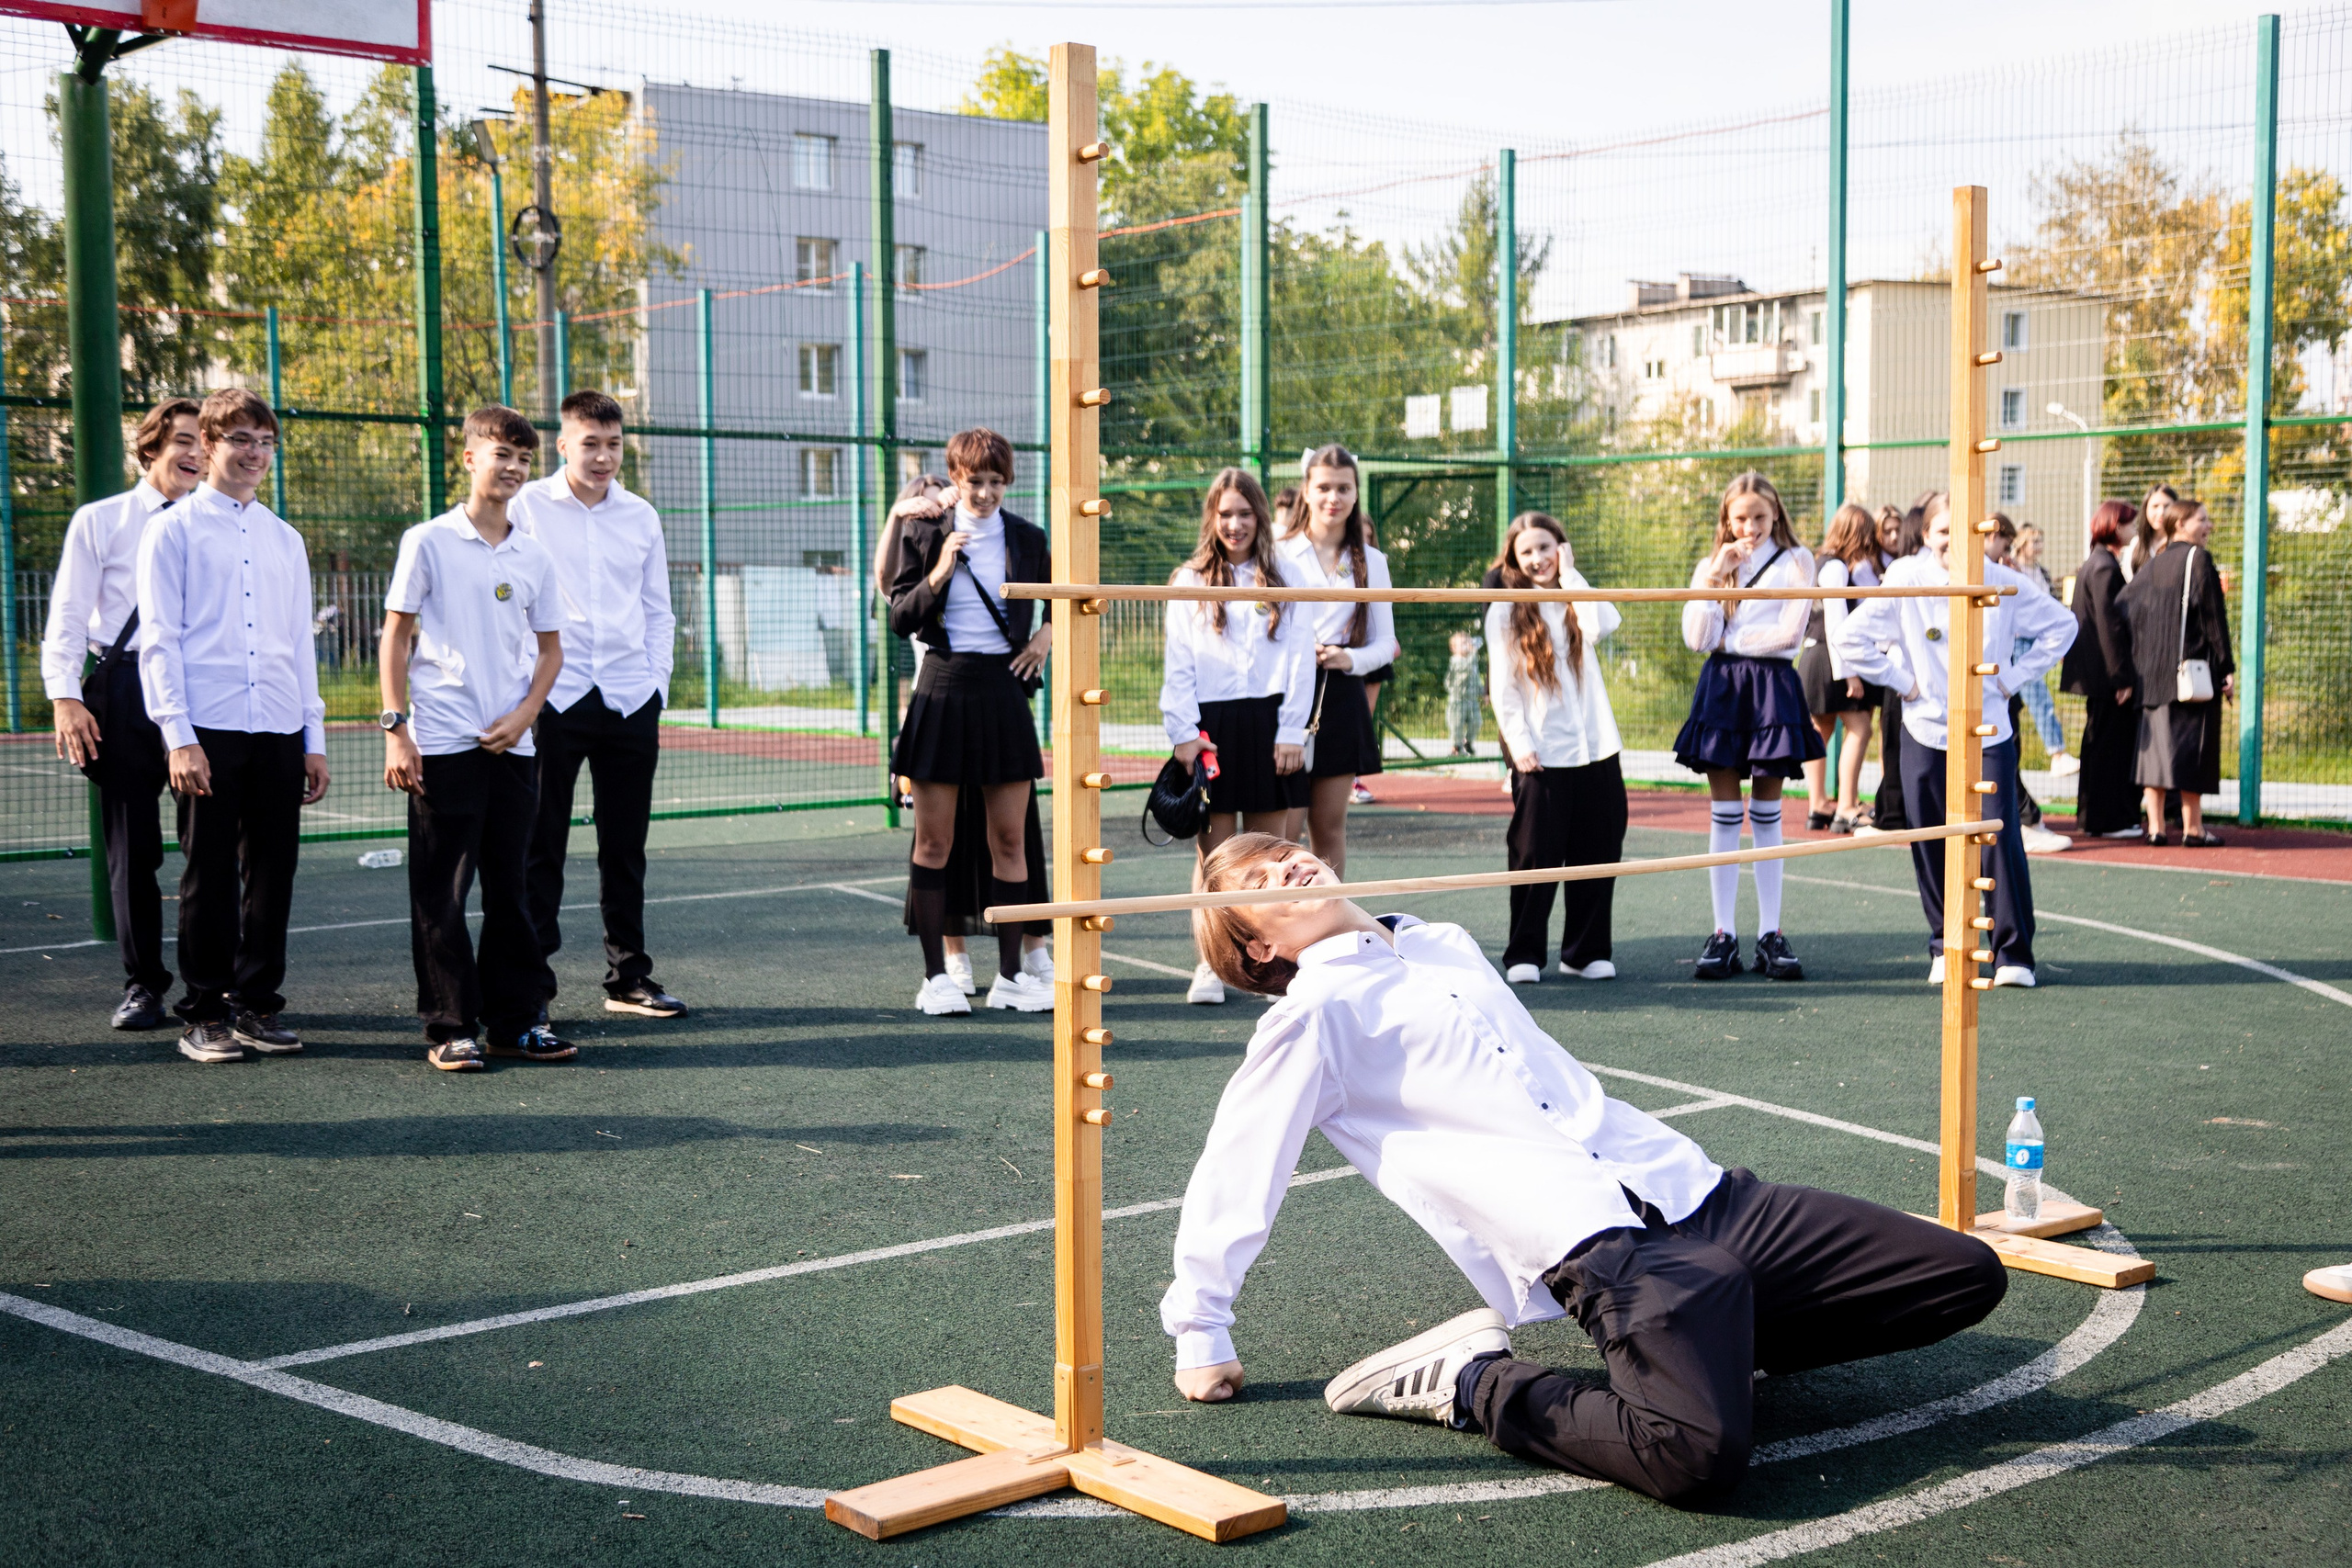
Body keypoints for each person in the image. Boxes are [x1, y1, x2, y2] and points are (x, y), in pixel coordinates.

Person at [1162, 832, 2008, 1506]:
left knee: (1963, 1273)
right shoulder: (1311, 1017)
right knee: (1696, 1457)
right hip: (1597, 1240)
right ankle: (1471, 1380)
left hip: (1689, 1186)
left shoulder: (1440, 941)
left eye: (1283, 851)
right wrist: (1202, 1327)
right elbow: (1239, 1163)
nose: (1286, 864)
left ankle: (1717, 1338)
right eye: (1261, 882)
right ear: (1259, 947)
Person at [135, 388, 330, 1064]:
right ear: (209, 445)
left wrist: (312, 740)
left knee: (274, 873)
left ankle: (257, 1005)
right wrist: (179, 736)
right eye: (241, 440)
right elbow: (159, 641)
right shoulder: (172, 530)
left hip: (278, 726)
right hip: (208, 728)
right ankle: (206, 1012)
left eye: (265, 442)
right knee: (209, 874)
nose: (255, 454)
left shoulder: (286, 538)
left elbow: (299, 646)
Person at [381, 407, 572, 1071]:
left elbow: (551, 651)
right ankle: (450, 1025)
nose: (514, 467)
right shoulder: (428, 541)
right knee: (443, 893)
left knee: (512, 891)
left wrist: (525, 716)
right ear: (469, 459)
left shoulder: (534, 554)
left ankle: (515, 1023)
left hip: (512, 748)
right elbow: (395, 637)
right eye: (501, 454)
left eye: (524, 458)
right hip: (442, 743)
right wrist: (396, 728)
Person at [1835, 492, 2075, 987]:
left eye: (1967, 529)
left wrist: (2011, 679)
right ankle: (1946, 945)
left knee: (1998, 836)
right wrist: (1904, 683)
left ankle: (2013, 953)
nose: (1955, 540)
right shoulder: (1906, 577)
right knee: (1930, 838)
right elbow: (1849, 637)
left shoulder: (2001, 579)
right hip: (1925, 727)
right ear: (1926, 535)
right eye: (1944, 531)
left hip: (1988, 729)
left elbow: (2062, 625)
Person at [510, 389, 687, 1022]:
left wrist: (656, 686)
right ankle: (531, 987)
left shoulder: (641, 515)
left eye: (614, 444)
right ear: (563, 445)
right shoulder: (526, 506)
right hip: (553, 699)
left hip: (630, 699)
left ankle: (628, 978)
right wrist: (525, 689)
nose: (604, 456)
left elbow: (658, 609)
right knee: (540, 847)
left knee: (625, 848)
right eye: (590, 444)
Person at [42, 397, 203, 1032]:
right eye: (184, 440)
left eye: (204, 442)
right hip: (125, 688)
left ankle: (213, 987)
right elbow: (66, 614)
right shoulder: (100, 520)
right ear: (151, 448)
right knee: (132, 850)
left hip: (201, 689)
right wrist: (66, 696)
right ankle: (144, 985)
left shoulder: (222, 524)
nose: (197, 453)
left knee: (210, 846)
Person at [886, 426, 1056, 1015]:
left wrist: (1047, 634)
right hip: (942, 687)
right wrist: (939, 570)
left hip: (1002, 692)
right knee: (934, 841)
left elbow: (1063, 598)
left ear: (1008, 482)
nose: (984, 492)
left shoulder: (1029, 537)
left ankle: (1011, 977)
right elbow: (900, 617)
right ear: (954, 479)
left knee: (1010, 840)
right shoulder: (925, 531)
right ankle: (936, 977)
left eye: (995, 481)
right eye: (974, 480)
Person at [1160, 468, 1314, 1006]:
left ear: (1260, 516)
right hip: (1212, 727)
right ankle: (1211, 963)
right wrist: (1184, 733)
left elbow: (1300, 660)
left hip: (1272, 725)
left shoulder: (1287, 575)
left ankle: (1280, 967)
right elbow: (1178, 663)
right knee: (1216, 861)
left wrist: (1292, 731)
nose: (1235, 524)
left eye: (1245, 513)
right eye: (1225, 514)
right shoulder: (1189, 580)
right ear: (1212, 518)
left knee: (1271, 858)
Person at [1673, 471, 1819, 982]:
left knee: (1767, 813)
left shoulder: (1799, 560)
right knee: (1725, 814)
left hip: (1772, 689)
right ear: (1726, 519)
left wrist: (1732, 642)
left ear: (1776, 513)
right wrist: (1717, 576)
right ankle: (1723, 935)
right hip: (1722, 690)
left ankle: (1770, 934)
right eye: (1740, 518)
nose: (1750, 527)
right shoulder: (1713, 565)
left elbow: (1789, 636)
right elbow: (1698, 638)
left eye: (1759, 516)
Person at [1486, 513, 1626, 985]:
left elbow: (1602, 625)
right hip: (1543, 753)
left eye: (1545, 547)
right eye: (1526, 551)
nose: (1537, 558)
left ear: (1561, 548)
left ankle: (1584, 953)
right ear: (1514, 559)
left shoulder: (1575, 595)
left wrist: (1571, 575)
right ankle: (1524, 953)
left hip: (1598, 748)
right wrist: (1519, 744)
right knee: (1534, 855)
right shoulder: (1505, 609)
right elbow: (1503, 686)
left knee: (1600, 849)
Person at [1276, 445, 1399, 876]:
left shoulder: (1372, 561)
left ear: (1356, 493)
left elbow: (1387, 643)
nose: (1334, 498)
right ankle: (1273, 916)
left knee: (1328, 829)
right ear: (1306, 491)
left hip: (1340, 699)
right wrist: (1294, 648)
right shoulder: (1277, 552)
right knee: (1281, 834)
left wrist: (1349, 658)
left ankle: (1329, 915)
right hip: (1284, 698)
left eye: (1344, 488)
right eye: (1324, 487)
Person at [2120, 497, 2233, 847]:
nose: (2209, 526)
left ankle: (2155, 828)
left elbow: (2124, 606)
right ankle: (2193, 829)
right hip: (2189, 674)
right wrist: (2226, 668)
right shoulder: (2198, 559)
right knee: (2192, 751)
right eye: (2203, 519)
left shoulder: (2154, 564)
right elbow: (2213, 618)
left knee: (2153, 755)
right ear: (2181, 524)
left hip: (2151, 676)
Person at [1796, 502, 1882, 835]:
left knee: (1823, 729)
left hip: (1815, 653)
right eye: (1867, 535)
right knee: (1860, 728)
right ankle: (1845, 807)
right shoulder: (1835, 567)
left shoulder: (1819, 562)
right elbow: (1836, 621)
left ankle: (1818, 806)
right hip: (1829, 656)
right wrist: (1849, 673)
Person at [2059, 500, 2141, 839]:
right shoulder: (2105, 567)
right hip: (2106, 676)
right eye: (2130, 523)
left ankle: (2092, 817)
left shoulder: (2095, 563)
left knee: (2097, 744)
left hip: (2095, 673)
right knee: (2108, 746)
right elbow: (2110, 626)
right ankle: (2108, 820)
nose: (2134, 529)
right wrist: (2121, 677)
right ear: (2116, 526)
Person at [2007, 524, 2078, 778]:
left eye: (2041, 541)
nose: (2039, 546)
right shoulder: (2012, 569)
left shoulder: (2041, 572)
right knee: (2037, 696)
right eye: (2034, 541)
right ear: (2022, 544)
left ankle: (2055, 753)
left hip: (2038, 639)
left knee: (2034, 697)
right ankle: (2057, 753)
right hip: (2018, 640)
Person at [2124, 482, 2177, 581]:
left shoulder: (2180, 544)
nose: (2161, 512)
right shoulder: (2136, 545)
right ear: (2146, 509)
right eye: (2155, 506)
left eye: (2167, 506)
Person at [1444, 630, 1484, 756]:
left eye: (1468, 642)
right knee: (1456, 725)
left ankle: (1468, 742)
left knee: (1476, 722)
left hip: (1472, 700)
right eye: (1462, 643)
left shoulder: (1471, 661)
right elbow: (1465, 668)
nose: (1467, 645)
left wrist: (1483, 691)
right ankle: (1456, 747)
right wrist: (1473, 653)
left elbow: (1476, 678)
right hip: (1458, 700)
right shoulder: (1456, 661)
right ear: (1454, 648)